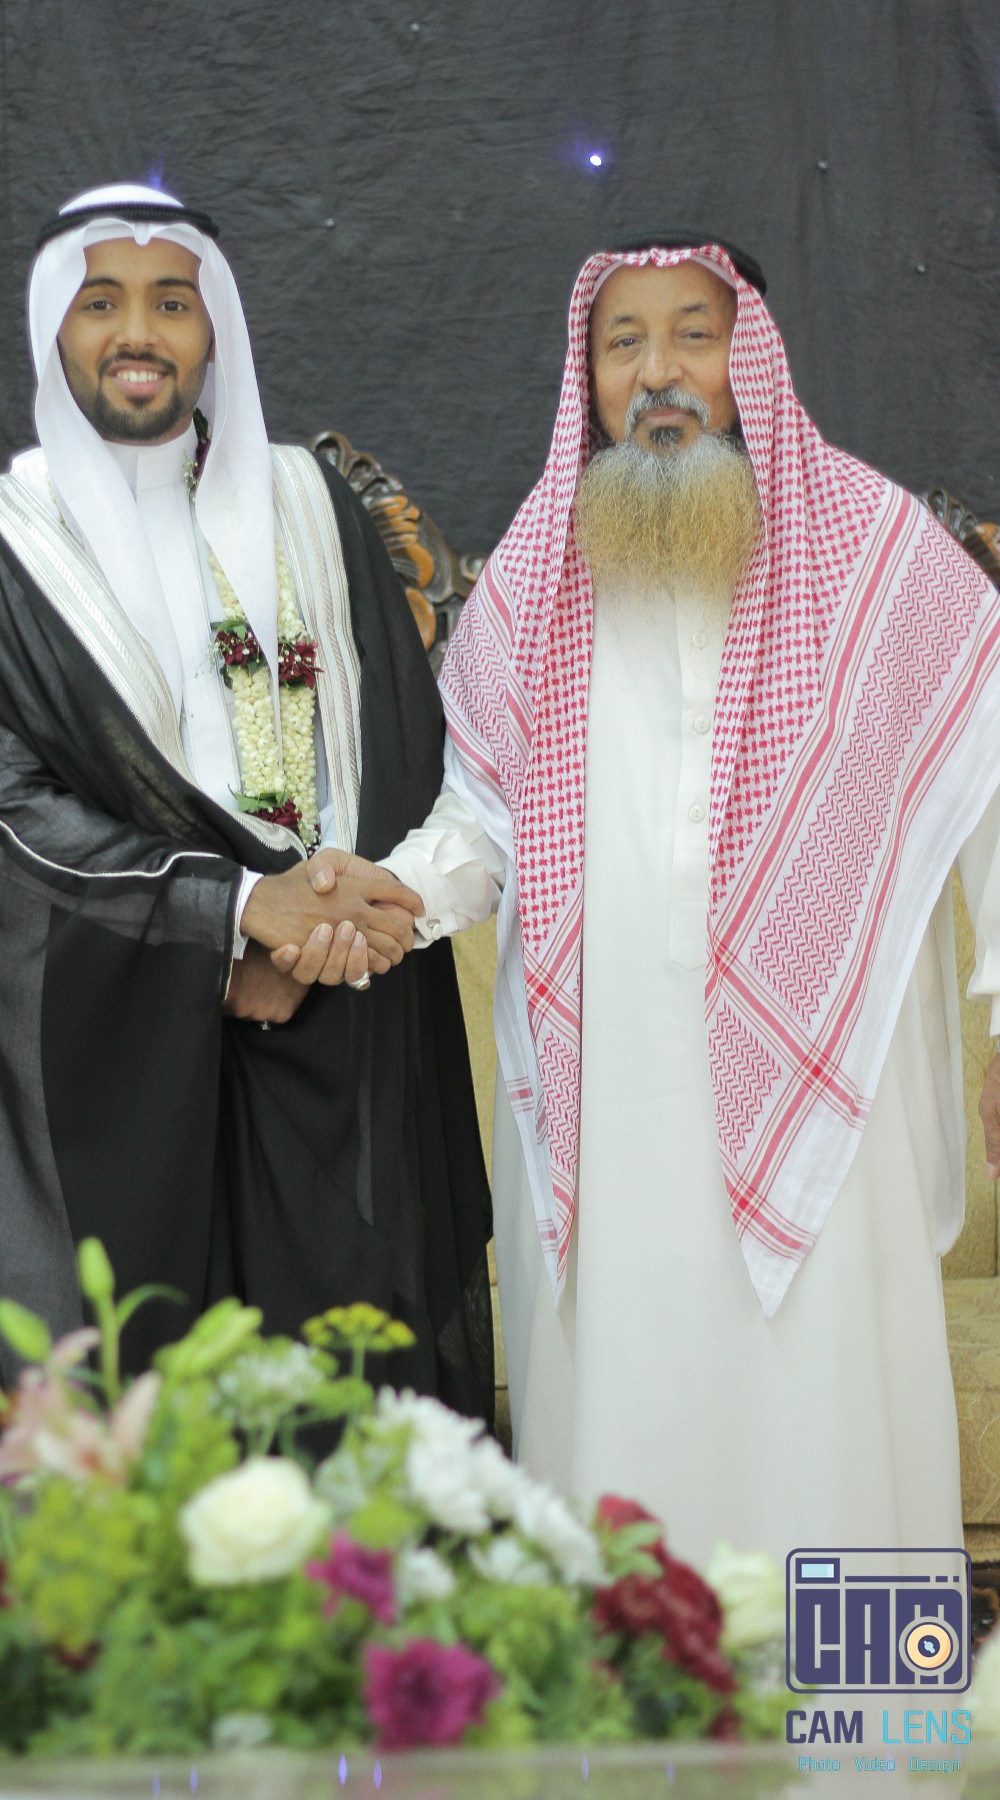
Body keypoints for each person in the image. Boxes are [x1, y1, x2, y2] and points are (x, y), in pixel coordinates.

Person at [304, 234, 1000, 1565]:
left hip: (831, 1114)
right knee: (623, 1449)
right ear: (591, 375)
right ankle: (629, 1702)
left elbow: (992, 781)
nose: (659, 369)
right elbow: (480, 823)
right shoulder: (538, 579)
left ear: (753, 362)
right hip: (606, 1109)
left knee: (835, 1434)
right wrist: (390, 896)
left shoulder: (877, 558)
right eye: (623, 341)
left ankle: (854, 1707)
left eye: (695, 331)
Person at [0, 183, 492, 1474]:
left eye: (172, 302)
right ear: (54, 329)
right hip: (111, 1052)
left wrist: (319, 941)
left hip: (336, 1026)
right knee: (139, 1443)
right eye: (100, 302)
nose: (138, 332)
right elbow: (2, 816)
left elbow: (402, 753)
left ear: (213, 328)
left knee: (344, 1438)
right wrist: (229, 920)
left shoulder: (311, 508)